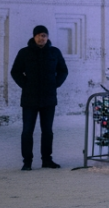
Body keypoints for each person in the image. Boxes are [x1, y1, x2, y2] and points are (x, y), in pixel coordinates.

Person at [9, 25, 69, 170]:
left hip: (49, 98)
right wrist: (26, 85)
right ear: (34, 37)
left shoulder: (54, 52)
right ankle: (27, 161)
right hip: (30, 98)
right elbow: (15, 71)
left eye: (44, 36)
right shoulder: (25, 53)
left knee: (47, 130)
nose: (41, 38)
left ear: (47, 37)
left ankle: (47, 159)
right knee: (27, 130)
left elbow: (63, 70)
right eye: (39, 35)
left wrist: (55, 84)